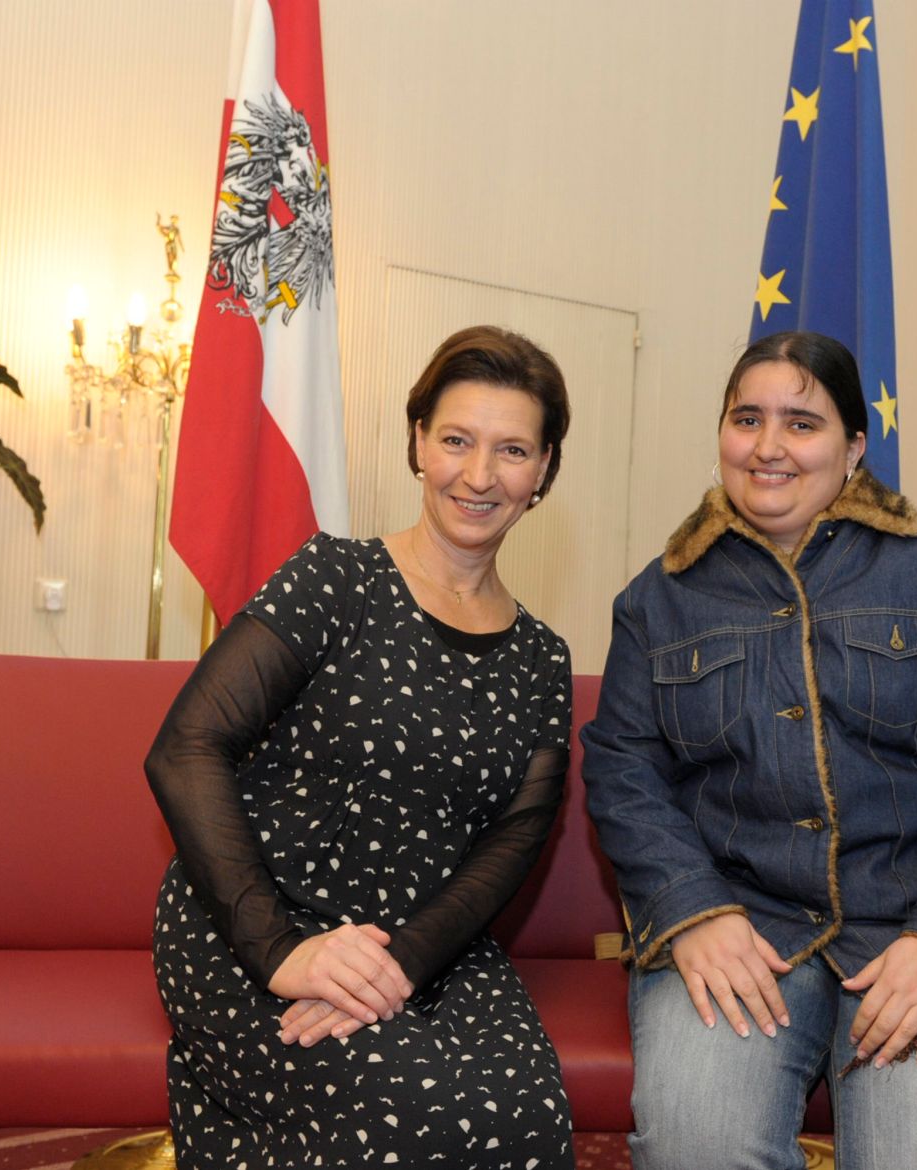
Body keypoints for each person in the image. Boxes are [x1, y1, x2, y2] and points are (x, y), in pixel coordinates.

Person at [580, 331, 917, 1170]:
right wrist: (692, 911)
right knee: (700, 1150)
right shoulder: (657, 600)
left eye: (802, 423)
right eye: (746, 418)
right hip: (740, 934)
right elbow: (623, 769)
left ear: (854, 447)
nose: (768, 447)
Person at [146, 325, 575, 1169]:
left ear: (545, 471)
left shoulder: (542, 658)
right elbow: (186, 747)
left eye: (513, 450)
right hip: (254, 923)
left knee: (531, 1124)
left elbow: (519, 835)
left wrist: (402, 964)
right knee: (408, 1121)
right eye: (456, 440)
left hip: (429, 948)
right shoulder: (334, 578)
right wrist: (285, 952)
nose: (480, 475)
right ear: (418, 442)